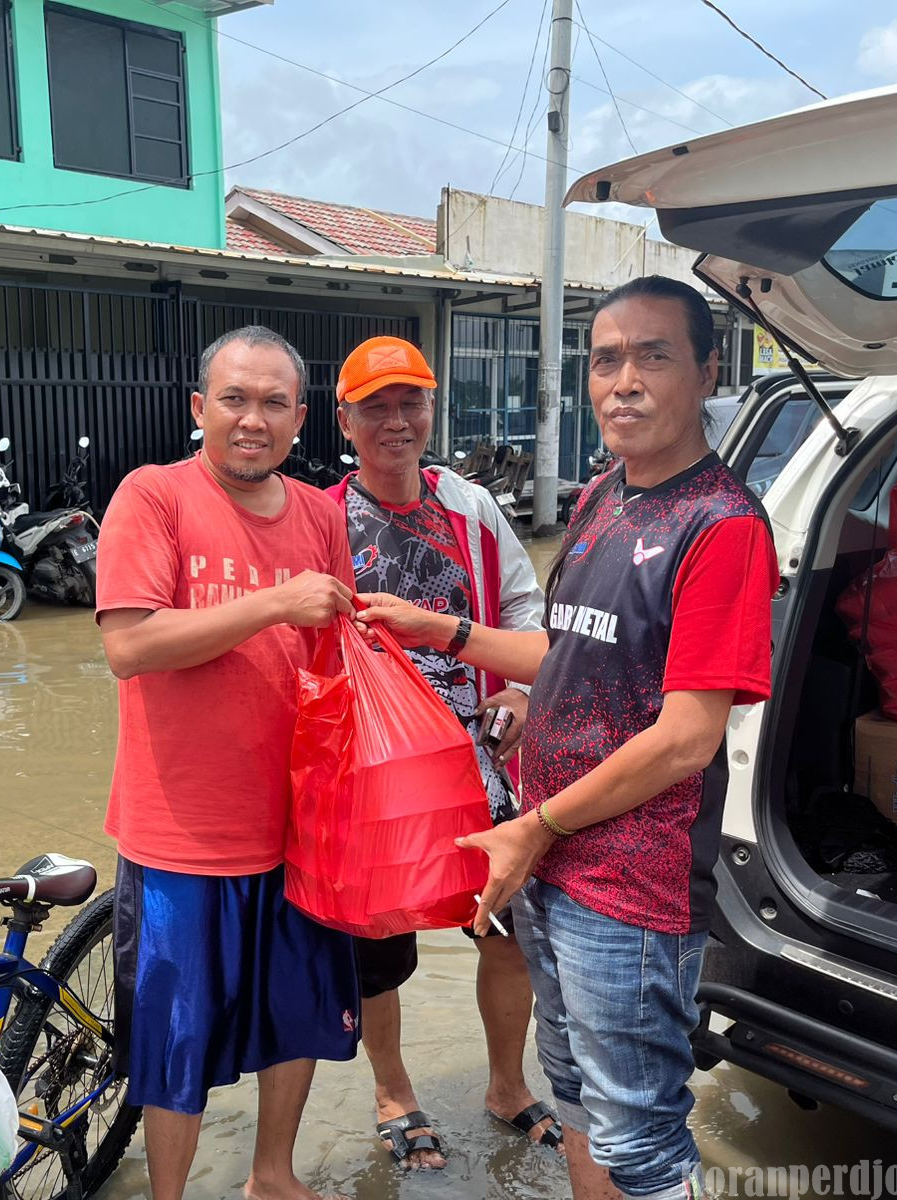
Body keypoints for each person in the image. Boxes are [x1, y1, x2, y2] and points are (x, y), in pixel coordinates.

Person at [358, 276, 778, 1200]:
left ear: (709, 370)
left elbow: (685, 739)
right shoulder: (599, 501)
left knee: (641, 1140)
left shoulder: (723, 528)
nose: (623, 381)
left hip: (628, 889)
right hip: (552, 871)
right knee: (581, 1102)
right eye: (606, 360)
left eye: (653, 356)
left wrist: (535, 824)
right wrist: (446, 632)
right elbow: (567, 649)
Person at [95, 325, 361, 1200]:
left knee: (300, 1014)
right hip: (185, 831)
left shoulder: (325, 513)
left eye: (274, 403)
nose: (254, 420)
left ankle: (272, 1176)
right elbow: (132, 644)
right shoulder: (153, 496)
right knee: (175, 1040)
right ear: (199, 408)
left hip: (299, 824)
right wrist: (274, 601)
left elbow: (335, 661)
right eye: (235, 399)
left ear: (301, 418)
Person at [323, 335, 560, 1170]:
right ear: (344, 417)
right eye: (376, 406)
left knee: (507, 929)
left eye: (411, 402)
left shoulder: (471, 508)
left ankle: (506, 1083)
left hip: (481, 761)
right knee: (378, 943)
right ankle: (394, 1091)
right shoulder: (323, 520)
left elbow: (529, 612)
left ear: (432, 409)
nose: (396, 421)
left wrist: (522, 693)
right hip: (377, 775)